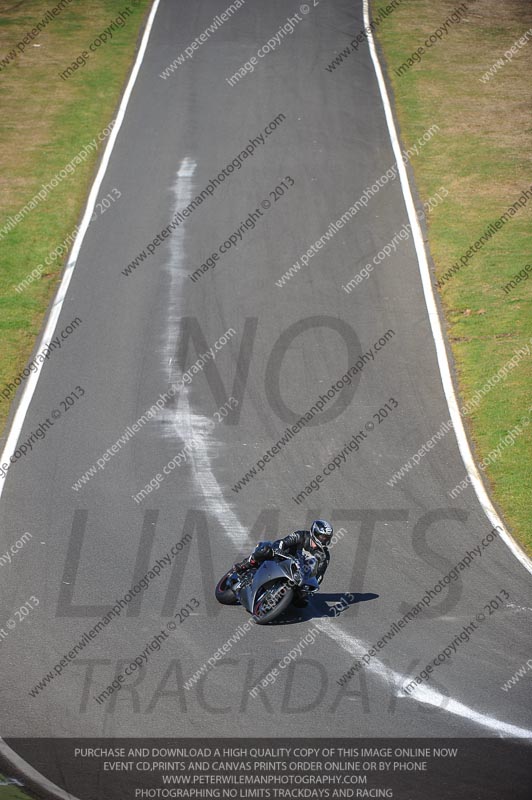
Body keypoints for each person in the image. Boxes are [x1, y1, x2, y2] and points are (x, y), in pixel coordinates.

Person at [233, 520, 333, 607]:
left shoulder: (324, 556)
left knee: (303, 602)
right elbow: (281, 543)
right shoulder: (301, 535)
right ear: (314, 532)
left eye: (327, 538)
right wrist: (279, 550)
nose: (325, 540)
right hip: (282, 559)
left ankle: (281, 602)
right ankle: (246, 563)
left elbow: (319, 576)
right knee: (266, 550)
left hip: (298, 575)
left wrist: (309, 588)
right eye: (323, 537)